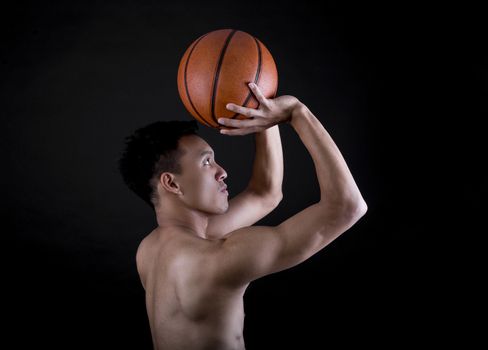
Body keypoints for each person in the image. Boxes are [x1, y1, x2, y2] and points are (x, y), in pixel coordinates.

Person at [118, 82, 367, 350]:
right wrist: (297, 112)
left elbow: (265, 193)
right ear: (172, 184)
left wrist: (264, 117)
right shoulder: (218, 259)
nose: (222, 171)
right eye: (206, 162)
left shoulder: (150, 250)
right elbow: (347, 207)